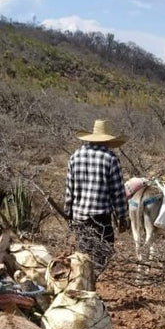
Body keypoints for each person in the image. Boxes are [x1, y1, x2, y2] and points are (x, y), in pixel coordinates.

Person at [64, 118, 129, 275]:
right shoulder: (111, 159)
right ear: (107, 140)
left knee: (83, 255)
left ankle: (84, 282)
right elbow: (118, 192)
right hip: (100, 219)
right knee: (103, 254)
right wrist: (122, 217)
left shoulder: (75, 156)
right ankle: (92, 281)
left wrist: (68, 213)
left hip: (79, 216)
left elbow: (69, 189)